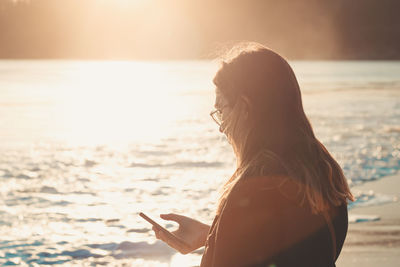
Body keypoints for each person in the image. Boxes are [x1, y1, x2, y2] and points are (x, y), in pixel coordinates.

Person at [152, 42, 354, 267]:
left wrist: (220, 239)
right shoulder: (324, 174)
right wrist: (212, 236)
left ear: (245, 107)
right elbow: (292, 249)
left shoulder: (257, 187)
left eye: (221, 110)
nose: (221, 127)